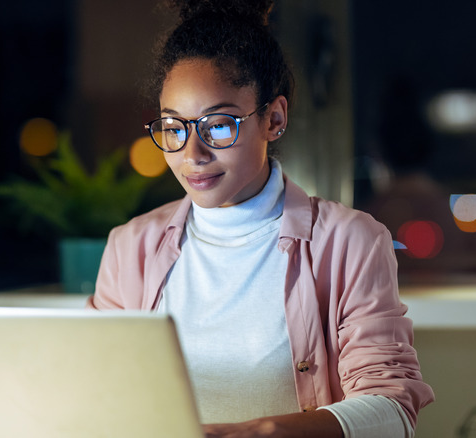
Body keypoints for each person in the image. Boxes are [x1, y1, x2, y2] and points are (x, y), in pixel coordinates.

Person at [87, 1, 434, 436]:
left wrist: (267, 432)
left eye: (217, 125)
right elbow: (96, 388)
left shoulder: (348, 241)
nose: (193, 154)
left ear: (274, 118)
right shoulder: (131, 246)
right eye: (174, 128)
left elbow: (393, 409)